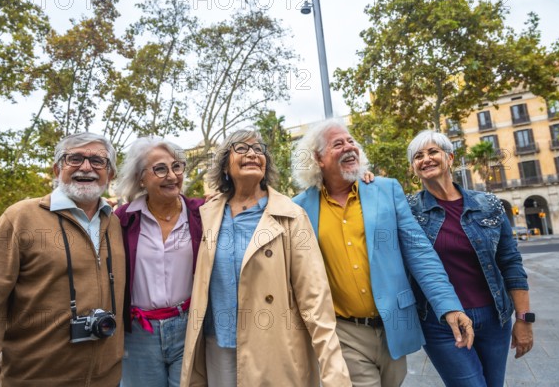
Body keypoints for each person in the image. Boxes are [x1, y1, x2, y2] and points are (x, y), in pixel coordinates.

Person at [292, 119, 474, 387]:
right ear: (318, 158)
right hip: (343, 331)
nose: (349, 147)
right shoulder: (300, 207)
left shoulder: (385, 189)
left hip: (393, 327)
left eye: (351, 141)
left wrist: (449, 306)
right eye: (338, 144)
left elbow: (419, 253)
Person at [180, 129, 351, 387]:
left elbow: (315, 298)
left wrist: (334, 371)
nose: (252, 153)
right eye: (242, 148)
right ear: (225, 163)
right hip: (218, 347)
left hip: (274, 348)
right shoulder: (206, 215)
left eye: (259, 150)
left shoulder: (292, 216)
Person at [0, 132, 125, 386]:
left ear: (110, 174)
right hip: (32, 379)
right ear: (57, 169)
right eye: (74, 158)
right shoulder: (20, 218)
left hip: (107, 380)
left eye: (98, 161)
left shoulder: (117, 223)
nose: (86, 167)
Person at [406, 130, 533, 387]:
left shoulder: (488, 205)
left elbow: (511, 263)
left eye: (433, 152)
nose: (426, 159)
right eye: (418, 156)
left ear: (450, 158)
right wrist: (366, 179)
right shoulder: (408, 210)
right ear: (413, 168)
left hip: (494, 318)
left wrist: (523, 320)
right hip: (440, 323)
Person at [114, 137, 205, 387]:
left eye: (177, 167)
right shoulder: (122, 219)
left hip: (188, 326)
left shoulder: (201, 213)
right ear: (141, 177)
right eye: (160, 169)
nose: (172, 176)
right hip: (138, 333)